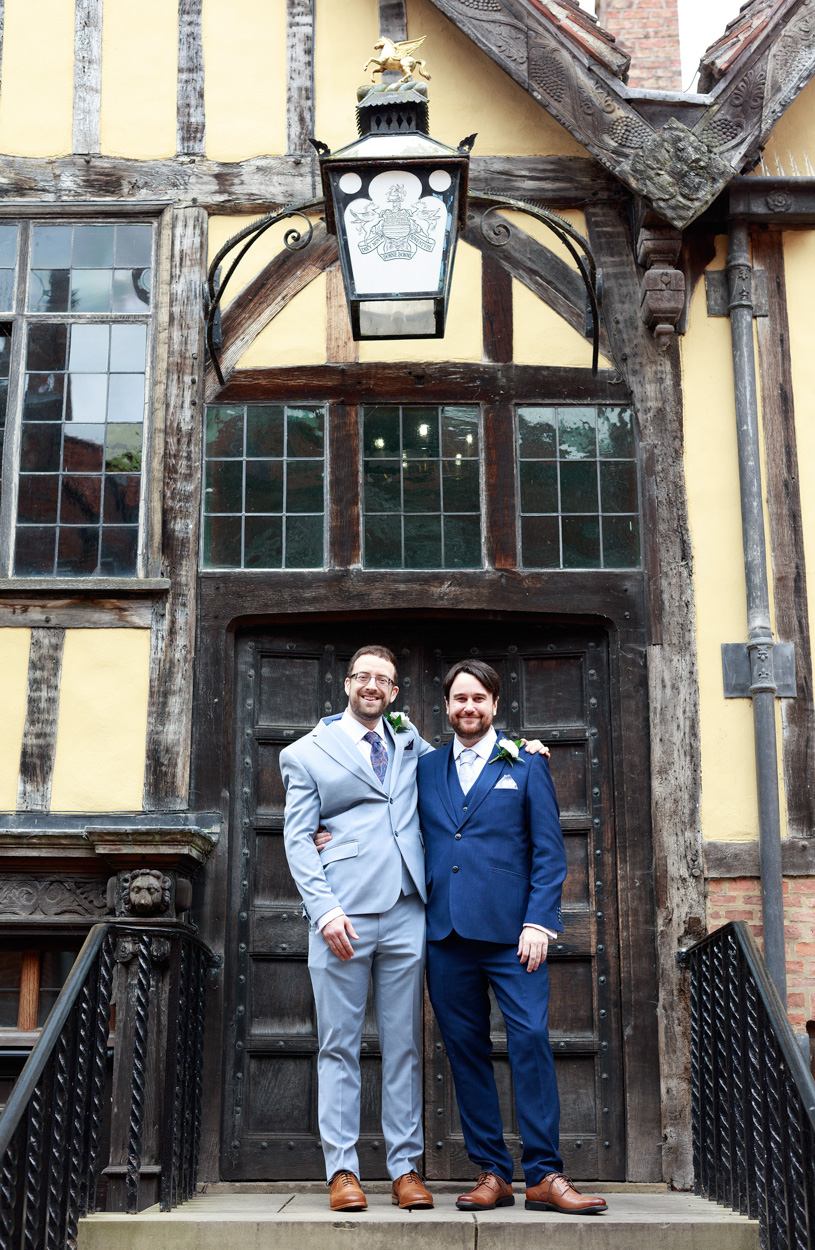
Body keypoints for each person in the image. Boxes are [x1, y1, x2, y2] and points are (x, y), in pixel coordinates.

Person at [281, 645, 546, 1213]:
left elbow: (467, 761)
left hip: (409, 910)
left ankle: (404, 1168)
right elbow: (298, 837)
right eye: (364, 677)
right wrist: (324, 909)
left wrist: (524, 749)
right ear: (347, 683)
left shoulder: (409, 742)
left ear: (396, 693)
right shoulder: (305, 753)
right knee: (339, 1046)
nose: (373, 686)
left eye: (385, 680)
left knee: (403, 1045)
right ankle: (343, 1171)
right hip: (342, 915)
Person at [417, 658, 608, 1216]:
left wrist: (539, 922)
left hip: (513, 935)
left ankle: (545, 1175)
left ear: (495, 704)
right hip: (446, 933)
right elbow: (389, 817)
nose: (468, 707)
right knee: (465, 1051)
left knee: (528, 1040)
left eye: (478, 698)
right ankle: (492, 1172)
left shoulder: (525, 762)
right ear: (447, 707)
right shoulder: (426, 768)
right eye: (459, 699)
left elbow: (550, 852)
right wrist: (331, 835)